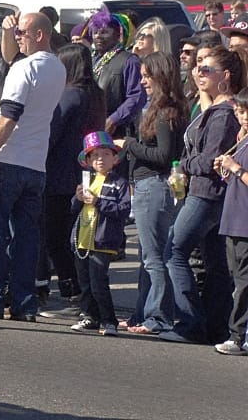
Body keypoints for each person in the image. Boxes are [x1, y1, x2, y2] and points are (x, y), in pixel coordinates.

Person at [0, 12, 66, 322]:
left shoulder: (25, 67)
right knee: (27, 236)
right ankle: (25, 303)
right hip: (36, 163)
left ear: (39, 35)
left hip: (8, 160)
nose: (17, 35)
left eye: (22, 32)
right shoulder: (58, 67)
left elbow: (9, 115)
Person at [161, 45, 246, 344]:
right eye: (198, 67)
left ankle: (190, 323)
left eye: (206, 68)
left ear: (225, 76)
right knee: (216, 264)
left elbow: (210, 160)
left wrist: (183, 164)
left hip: (206, 193)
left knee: (174, 252)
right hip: (207, 191)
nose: (199, 72)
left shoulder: (224, 114)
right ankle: (214, 326)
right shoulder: (216, 109)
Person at [115, 52, 187, 334]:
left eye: (147, 76)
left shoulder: (165, 112)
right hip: (147, 185)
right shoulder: (159, 108)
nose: (143, 81)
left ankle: (158, 316)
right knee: (147, 254)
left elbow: (163, 154)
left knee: (154, 256)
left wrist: (130, 144)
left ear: (161, 75)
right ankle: (142, 313)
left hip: (155, 186)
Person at [40, 44, 106, 311]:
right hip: (82, 172)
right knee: (71, 234)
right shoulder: (96, 95)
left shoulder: (69, 95)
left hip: (58, 173)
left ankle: (66, 287)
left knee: (52, 236)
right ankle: (75, 287)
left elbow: (51, 133)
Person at [68, 131, 132, 336]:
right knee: (84, 282)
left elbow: (123, 210)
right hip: (82, 240)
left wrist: (99, 202)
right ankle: (89, 316)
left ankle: (109, 320)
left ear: (115, 158)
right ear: (87, 161)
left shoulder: (119, 183)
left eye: (105, 154)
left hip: (103, 240)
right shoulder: (87, 181)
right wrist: (77, 199)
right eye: (94, 155)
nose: (100, 159)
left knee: (98, 282)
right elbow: (74, 209)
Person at [212, 89, 248, 355]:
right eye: (239, 112)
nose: (242, 117)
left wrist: (236, 168)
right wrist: (226, 173)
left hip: (245, 222)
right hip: (233, 218)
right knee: (237, 279)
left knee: (244, 282)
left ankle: (237, 336)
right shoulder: (243, 140)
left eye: (245, 112)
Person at [85, 9, 144, 139]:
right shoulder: (90, 59)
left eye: (105, 32)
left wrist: (113, 119)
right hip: (92, 128)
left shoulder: (129, 61)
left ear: (118, 34)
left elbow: (136, 96)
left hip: (118, 131)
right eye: (95, 32)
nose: (99, 36)